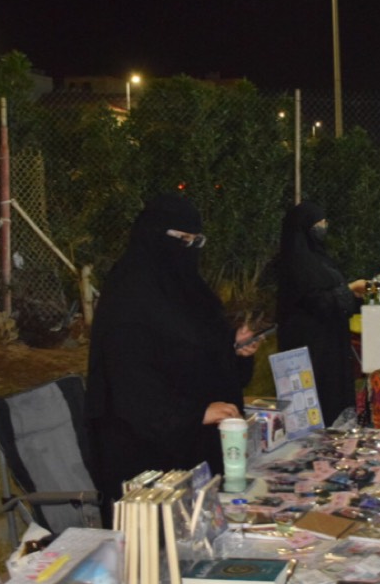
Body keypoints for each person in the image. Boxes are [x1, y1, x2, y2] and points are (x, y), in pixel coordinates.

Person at [86, 194, 259, 520]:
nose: (189, 249)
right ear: (152, 235)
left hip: (195, 450)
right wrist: (194, 414)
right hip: (147, 461)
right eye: (182, 240)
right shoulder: (129, 295)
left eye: (196, 241)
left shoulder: (188, 289)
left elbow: (198, 353)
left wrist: (234, 348)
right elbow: (130, 385)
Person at [274, 201, 366, 422]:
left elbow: (331, 295)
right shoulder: (294, 263)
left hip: (330, 343)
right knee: (311, 405)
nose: (324, 227)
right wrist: (349, 290)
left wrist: (354, 296)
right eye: (318, 223)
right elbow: (316, 301)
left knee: (333, 399)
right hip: (307, 345)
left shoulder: (319, 257)